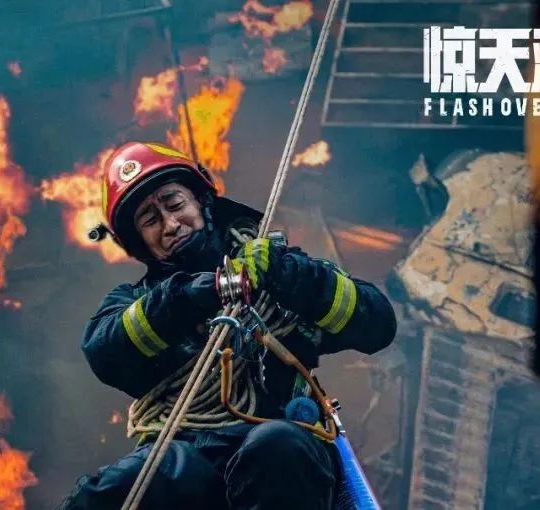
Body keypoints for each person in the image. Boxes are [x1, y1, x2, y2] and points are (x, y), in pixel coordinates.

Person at [59, 141, 397, 510]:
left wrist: (294, 277)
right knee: (121, 487)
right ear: (139, 242)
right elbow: (104, 352)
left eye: (174, 204)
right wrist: (186, 299)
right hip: (188, 455)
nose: (170, 224)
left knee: (277, 446)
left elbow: (378, 324)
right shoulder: (136, 302)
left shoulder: (276, 271)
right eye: (150, 220)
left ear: (202, 202)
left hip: (277, 449)